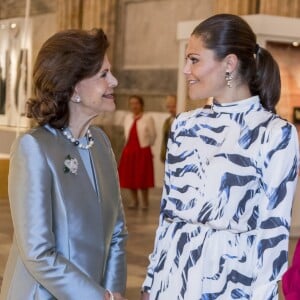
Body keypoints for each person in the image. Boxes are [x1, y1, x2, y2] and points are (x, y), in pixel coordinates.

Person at [140, 13, 299, 300]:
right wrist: (152, 282)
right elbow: (168, 214)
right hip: (173, 276)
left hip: (232, 280)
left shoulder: (275, 133)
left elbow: (273, 230)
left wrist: (263, 295)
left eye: (194, 59)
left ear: (229, 63)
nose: (186, 70)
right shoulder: (184, 124)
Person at [0, 28, 128, 300]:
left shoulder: (102, 143)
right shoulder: (34, 147)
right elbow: (37, 253)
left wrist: (114, 291)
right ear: (73, 86)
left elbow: (117, 232)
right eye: (103, 74)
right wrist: (96, 297)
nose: (114, 81)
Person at [118, 95, 156, 210]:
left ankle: (145, 202)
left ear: (141, 105)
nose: (134, 106)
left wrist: (147, 145)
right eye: (132, 103)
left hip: (143, 150)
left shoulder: (147, 118)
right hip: (129, 150)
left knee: (143, 177)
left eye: (137, 103)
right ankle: (134, 200)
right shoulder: (128, 117)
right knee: (130, 176)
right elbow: (126, 134)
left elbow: (153, 135)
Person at [160, 95, 177, 163]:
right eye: (168, 107)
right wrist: (163, 154)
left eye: (173, 107)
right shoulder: (167, 121)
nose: (170, 110)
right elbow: (164, 140)